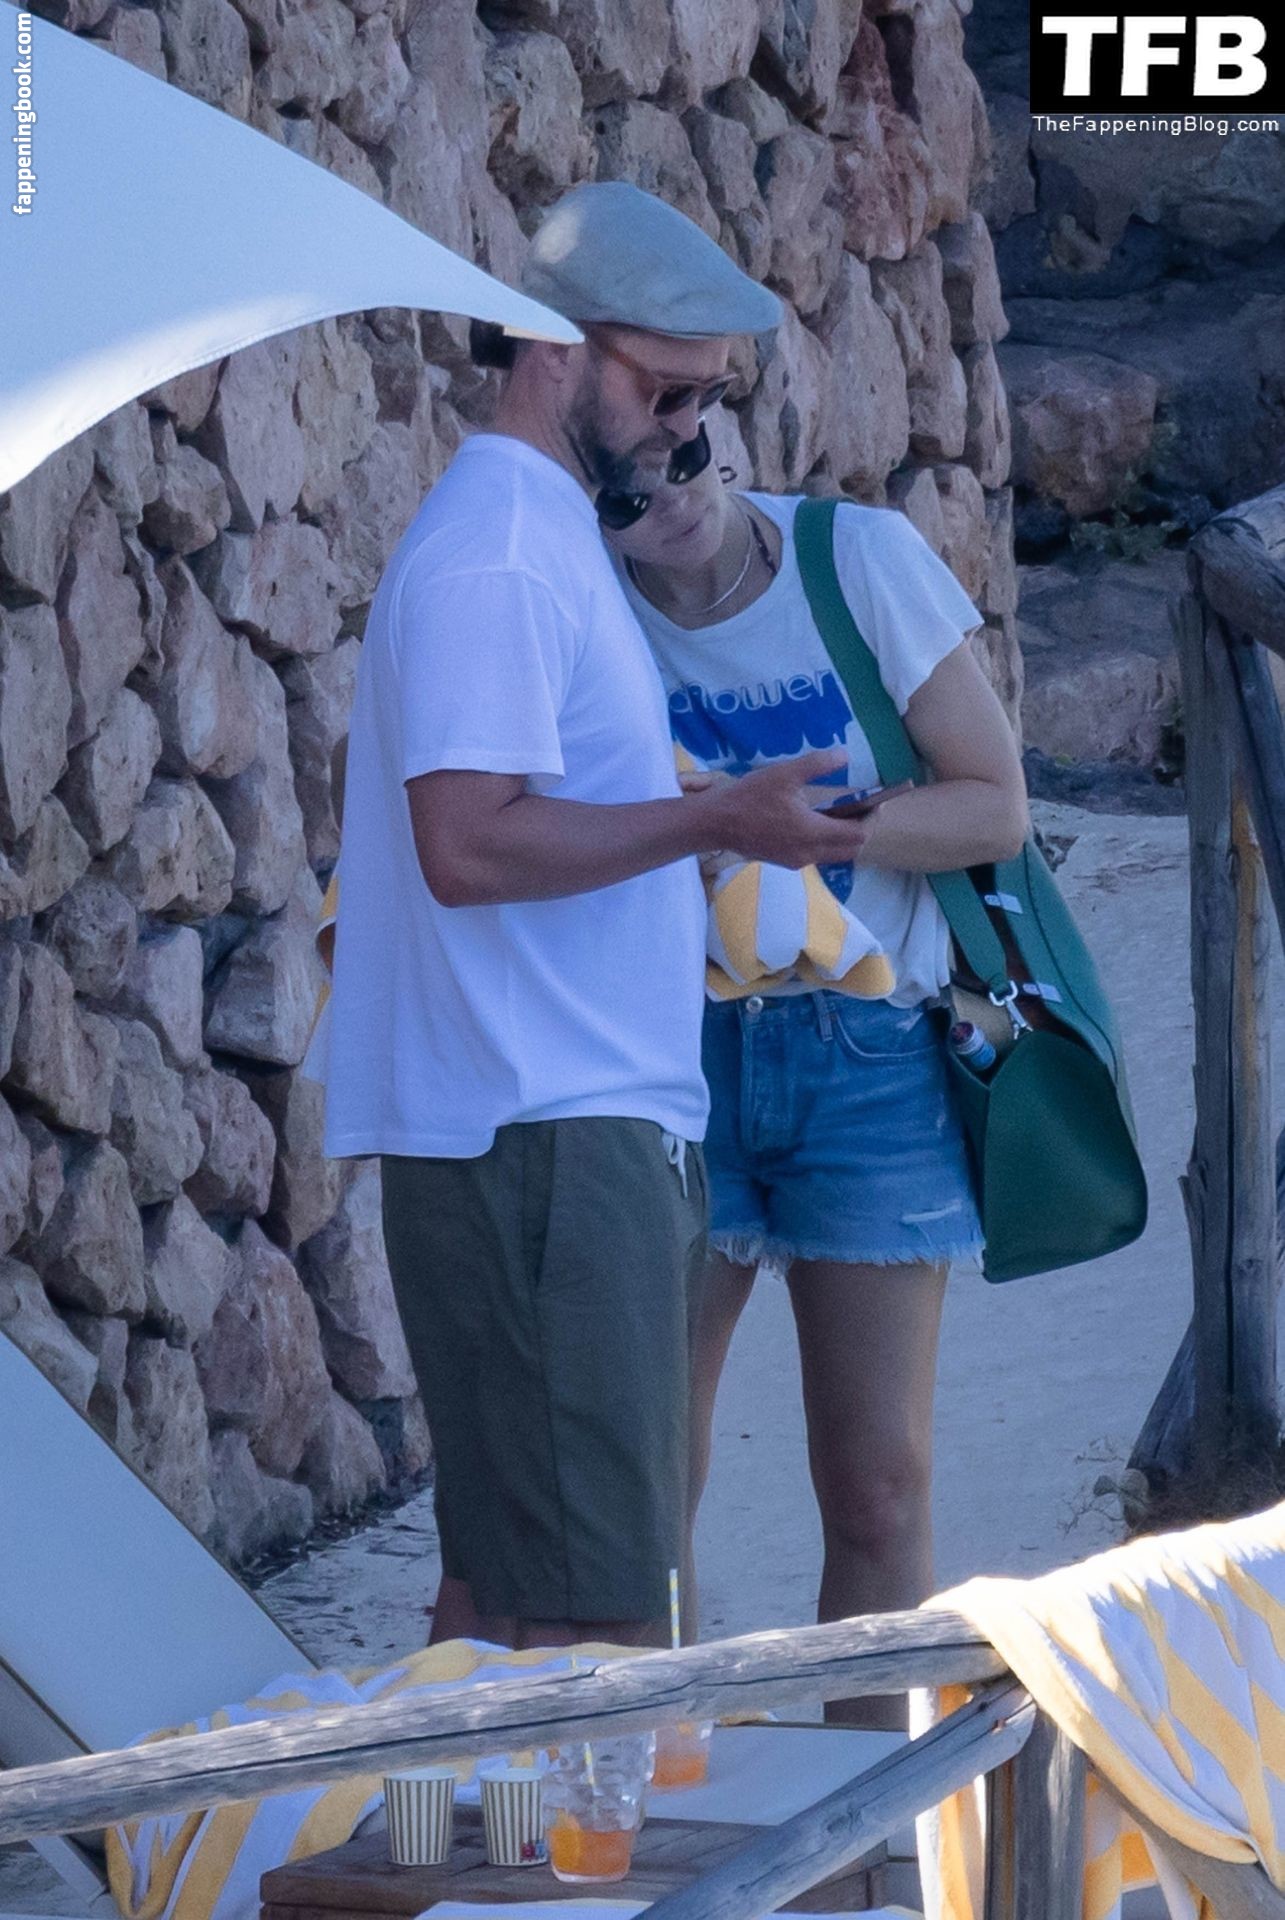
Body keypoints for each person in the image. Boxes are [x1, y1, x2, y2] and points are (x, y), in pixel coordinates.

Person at [321, 181, 882, 1653]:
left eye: (706, 400)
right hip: (541, 1137)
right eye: (666, 389)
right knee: (603, 1630)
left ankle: (471, 1811)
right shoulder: (502, 554)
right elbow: (466, 844)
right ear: (554, 348)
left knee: (508, 1606)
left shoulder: (542, 533)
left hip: (558, 1128)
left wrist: (687, 815)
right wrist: (715, 822)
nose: (686, 430)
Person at [601, 435, 1030, 1721]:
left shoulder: (853, 561)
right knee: (641, 1473)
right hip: (670, 1051)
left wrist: (803, 832)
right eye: (625, 492)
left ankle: (863, 1808)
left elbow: (993, 803)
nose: (671, 500)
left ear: (719, 433)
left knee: (877, 1483)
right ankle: (655, 1780)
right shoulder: (573, 598)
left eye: (685, 454)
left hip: (869, 1047)